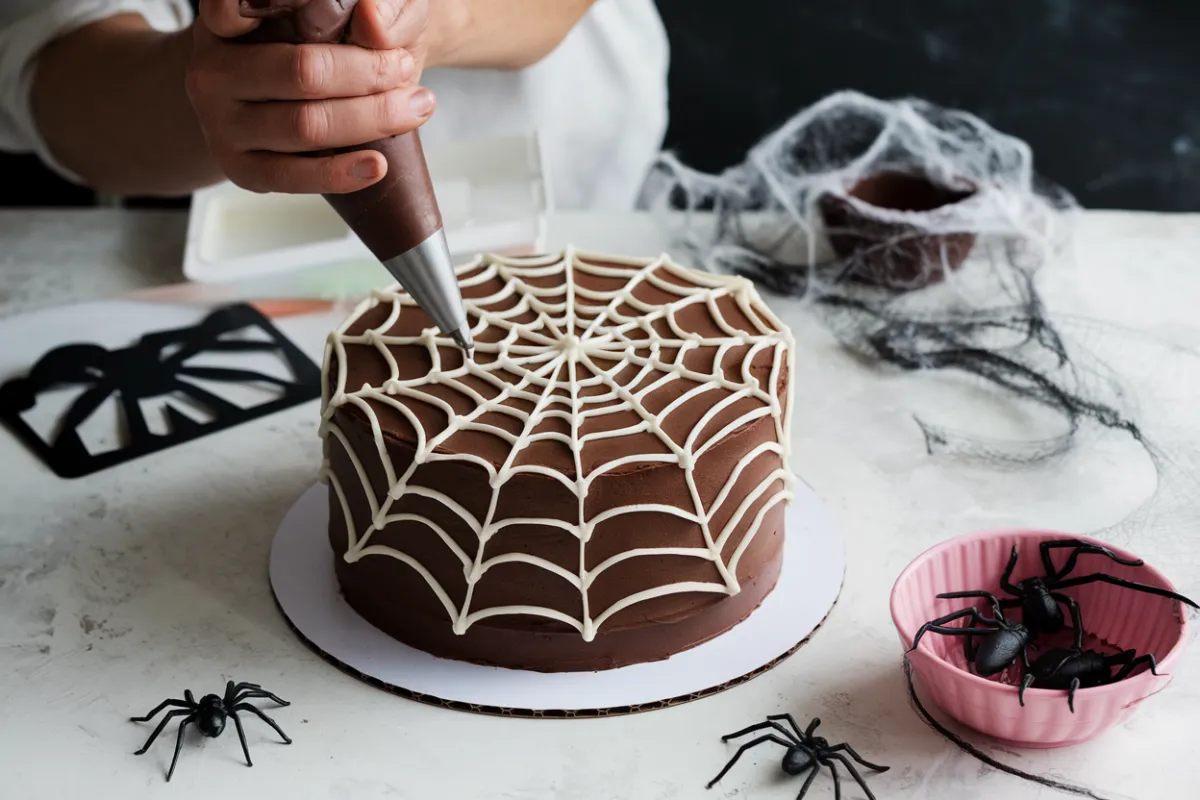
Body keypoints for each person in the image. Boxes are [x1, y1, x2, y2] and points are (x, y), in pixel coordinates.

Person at [0, 0, 668, 210]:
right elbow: (57, 67)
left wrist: (432, 20)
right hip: (209, 260)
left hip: (580, 193)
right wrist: (221, 87)